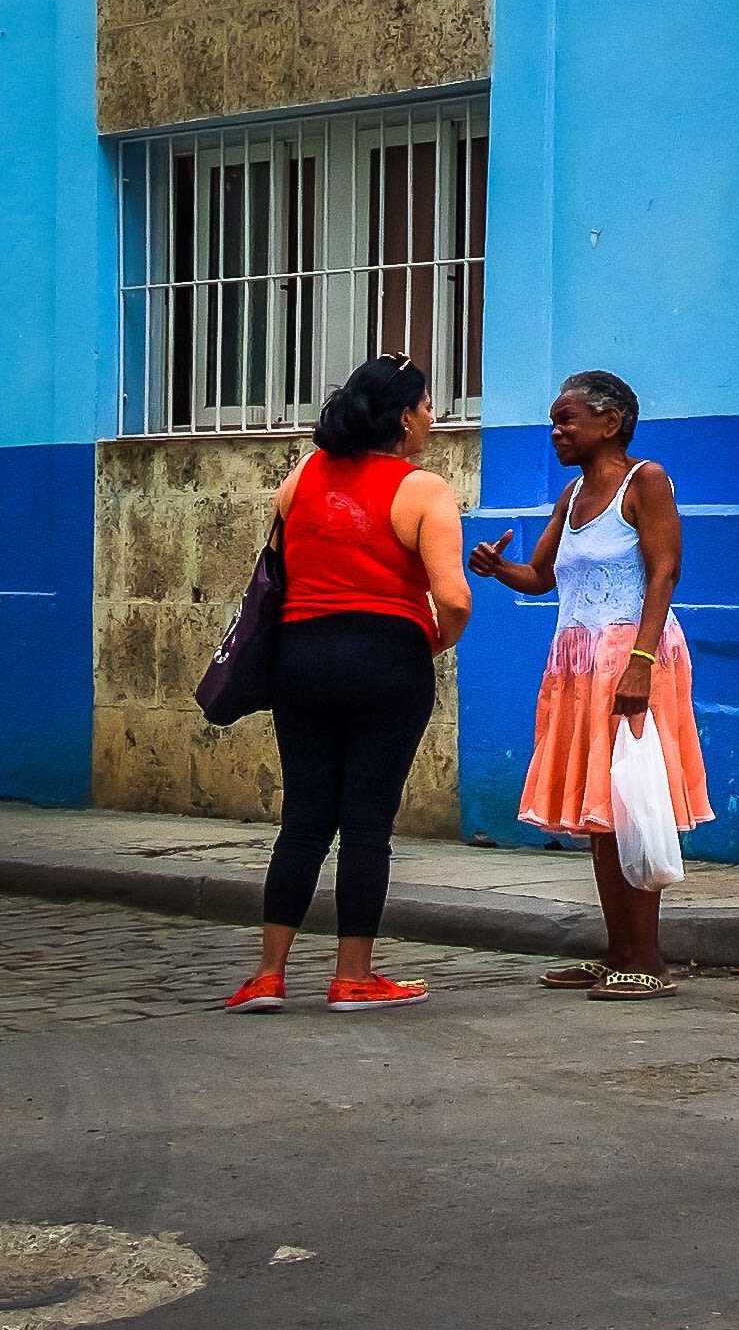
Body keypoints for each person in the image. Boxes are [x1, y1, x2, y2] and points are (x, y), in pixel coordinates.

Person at [224, 354, 469, 1013]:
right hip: (386, 659)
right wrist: (435, 638)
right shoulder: (423, 490)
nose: (432, 416)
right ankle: (353, 975)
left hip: (300, 658)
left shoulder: (300, 479)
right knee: (366, 823)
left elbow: (277, 569)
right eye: (426, 405)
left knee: (303, 820)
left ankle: (269, 974)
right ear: (403, 416)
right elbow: (455, 597)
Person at [469, 370, 711, 998]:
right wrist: (499, 570)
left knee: (631, 805)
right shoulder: (572, 497)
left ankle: (647, 961)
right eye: (555, 420)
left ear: (612, 422)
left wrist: (641, 661)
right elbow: (541, 578)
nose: (557, 431)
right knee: (602, 813)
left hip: (630, 657)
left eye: (567, 418)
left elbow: (665, 574)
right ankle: (619, 952)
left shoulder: (646, 481)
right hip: (579, 665)